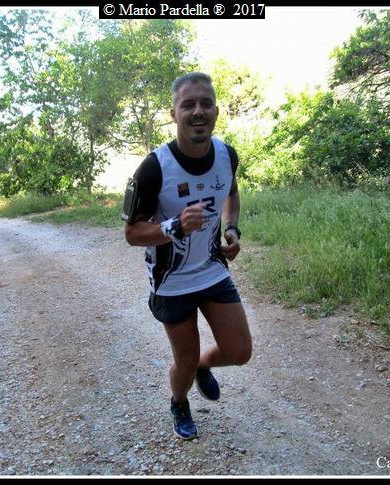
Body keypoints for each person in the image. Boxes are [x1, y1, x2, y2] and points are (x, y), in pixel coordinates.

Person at [122, 72, 252, 440]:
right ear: (174, 113)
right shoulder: (154, 167)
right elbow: (132, 233)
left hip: (212, 270)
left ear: (216, 111)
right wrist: (174, 226)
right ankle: (179, 402)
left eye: (206, 103)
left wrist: (232, 229)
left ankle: (201, 367)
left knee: (239, 351)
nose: (198, 111)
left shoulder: (226, 155)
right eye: (188, 105)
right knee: (185, 358)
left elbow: (231, 193)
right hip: (171, 281)